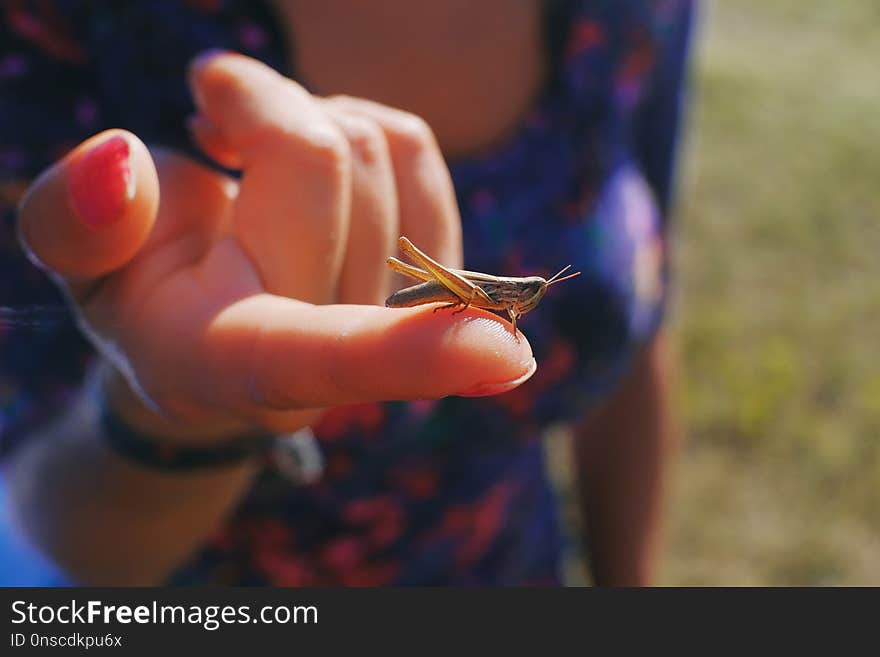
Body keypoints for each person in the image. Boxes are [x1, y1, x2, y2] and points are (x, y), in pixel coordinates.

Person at [0, 0, 694, 586]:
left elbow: (644, 302)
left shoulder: (636, 19)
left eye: (534, 294)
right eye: (532, 293)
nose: (532, 297)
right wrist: (175, 417)